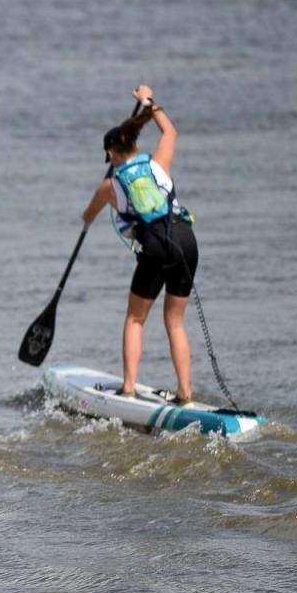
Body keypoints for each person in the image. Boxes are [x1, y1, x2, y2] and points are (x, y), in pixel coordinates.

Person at [80, 84, 197, 404]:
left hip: (156, 246)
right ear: (134, 145)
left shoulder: (110, 185)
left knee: (135, 318)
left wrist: (88, 217)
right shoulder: (159, 163)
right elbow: (170, 130)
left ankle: (128, 389)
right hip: (186, 239)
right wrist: (148, 102)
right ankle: (185, 392)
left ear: (109, 154)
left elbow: (87, 215)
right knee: (175, 320)